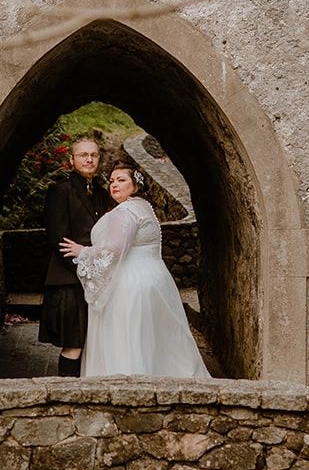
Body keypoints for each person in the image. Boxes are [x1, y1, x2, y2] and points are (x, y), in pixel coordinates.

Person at [59, 159, 210, 379]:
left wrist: (83, 252)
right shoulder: (144, 207)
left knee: (127, 337)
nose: (114, 185)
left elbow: (114, 249)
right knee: (153, 338)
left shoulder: (126, 211)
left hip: (130, 284)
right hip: (155, 279)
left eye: (121, 180)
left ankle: (128, 385)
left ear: (135, 185)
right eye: (111, 181)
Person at [40, 135, 114, 376]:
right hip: (69, 280)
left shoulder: (103, 194)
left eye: (93, 155)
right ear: (72, 160)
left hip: (97, 278)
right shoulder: (59, 191)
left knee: (96, 342)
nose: (89, 159)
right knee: (74, 344)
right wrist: (85, 270)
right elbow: (58, 239)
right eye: (83, 155)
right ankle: (67, 399)